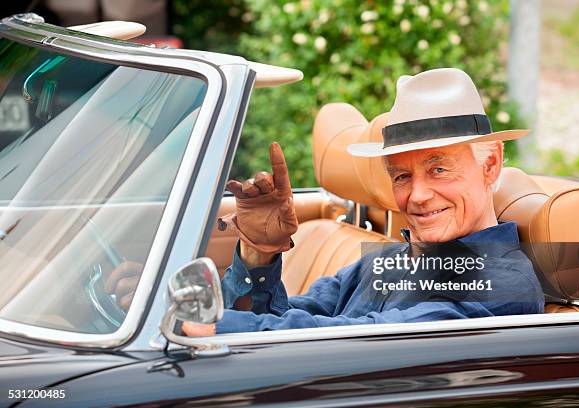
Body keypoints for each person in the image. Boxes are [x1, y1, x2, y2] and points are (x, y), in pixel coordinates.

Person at [108, 68, 545, 336]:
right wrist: (258, 255)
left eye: (439, 169)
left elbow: (350, 338)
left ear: (491, 167)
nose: (417, 195)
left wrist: (189, 322)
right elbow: (289, 316)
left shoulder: (501, 284)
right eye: (401, 176)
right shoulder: (386, 261)